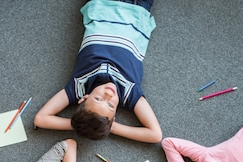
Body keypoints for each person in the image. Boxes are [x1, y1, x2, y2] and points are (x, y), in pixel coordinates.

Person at [33, 0, 162, 143]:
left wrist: (82, 124)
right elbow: (155, 135)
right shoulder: (128, 93)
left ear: (84, 98)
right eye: (111, 105)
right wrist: (110, 127)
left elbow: (41, 119)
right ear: (114, 118)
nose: (108, 94)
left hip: (103, 6)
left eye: (98, 99)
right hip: (135, 9)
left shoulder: (79, 87)